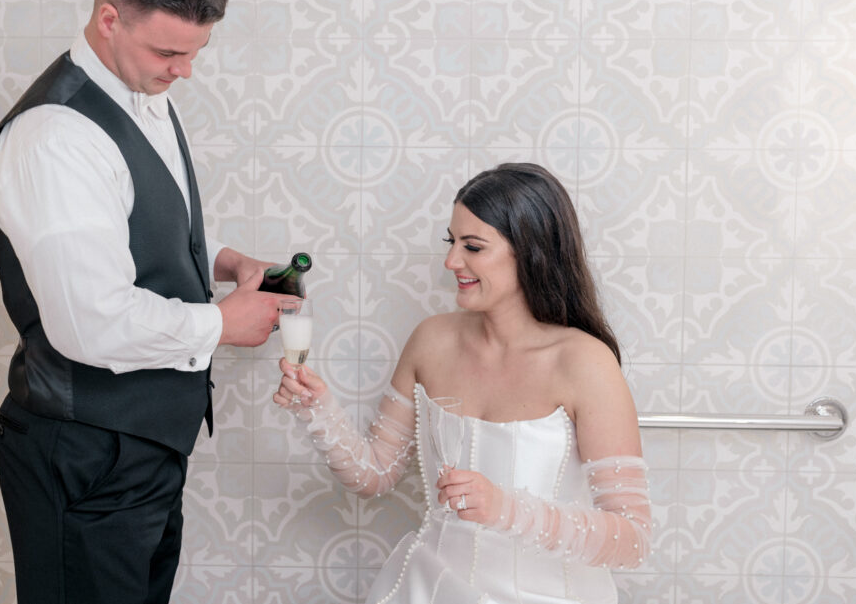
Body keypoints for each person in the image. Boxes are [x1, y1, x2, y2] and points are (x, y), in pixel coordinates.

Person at [0, 0, 289, 602]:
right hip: (87, 451)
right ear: (108, 18)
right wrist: (219, 322)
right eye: (169, 50)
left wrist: (218, 263)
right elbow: (88, 322)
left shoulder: (142, 89)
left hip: (139, 447)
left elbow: (124, 240)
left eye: (196, 50)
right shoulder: (56, 137)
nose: (185, 71)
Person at [274, 163, 651, 604]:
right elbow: (374, 475)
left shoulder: (585, 363)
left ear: (532, 252)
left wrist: (505, 508)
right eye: (451, 242)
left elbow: (633, 540)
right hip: (430, 589)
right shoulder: (431, 340)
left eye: (473, 246)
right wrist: (317, 409)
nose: (452, 261)